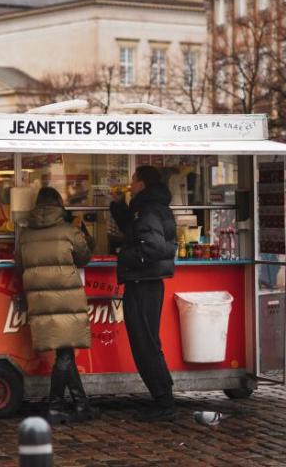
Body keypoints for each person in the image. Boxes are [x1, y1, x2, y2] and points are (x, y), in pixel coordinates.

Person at [15, 186, 96, 423]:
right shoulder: (69, 231)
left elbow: (19, 264)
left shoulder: (26, 234)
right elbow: (85, 257)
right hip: (67, 299)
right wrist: (84, 230)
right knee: (65, 354)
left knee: (65, 351)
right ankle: (55, 406)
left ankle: (82, 406)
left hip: (39, 299)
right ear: (59, 204)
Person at [110, 165, 178, 422]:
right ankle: (163, 397)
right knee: (147, 342)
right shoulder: (151, 206)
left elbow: (153, 246)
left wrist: (124, 257)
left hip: (143, 282)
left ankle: (164, 402)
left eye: (133, 179)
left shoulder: (148, 209)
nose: (130, 183)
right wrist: (118, 206)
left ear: (142, 183)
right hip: (148, 281)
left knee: (145, 343)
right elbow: (134, 229)